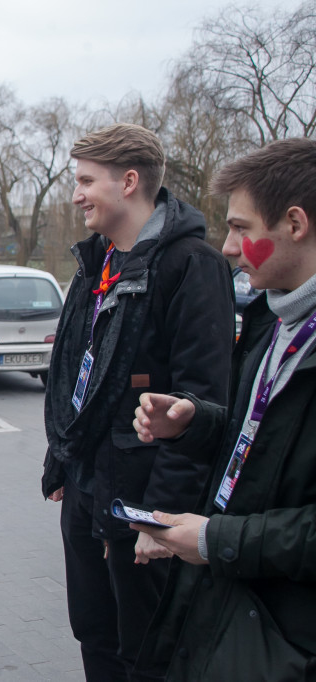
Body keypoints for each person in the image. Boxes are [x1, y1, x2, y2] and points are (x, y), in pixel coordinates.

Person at [41, 123, 235, 680]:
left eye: (85, 181)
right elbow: (75, 368)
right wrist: (61, 460)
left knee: (146, 650)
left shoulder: (192, 265)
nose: (75, 195)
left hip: (141, 502)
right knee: (94, 632)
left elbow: (201, 405)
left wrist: (159, 518)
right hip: (85, 485)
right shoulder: (97, 261)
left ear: (129, 182)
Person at [130, 138, 316, 680]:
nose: (229, 248)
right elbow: (268, 441)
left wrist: (217, 540)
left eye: (241, 227)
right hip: (235, 611)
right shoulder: (273, 320)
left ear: (296, 223)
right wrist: (196, 422)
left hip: (285, 635)